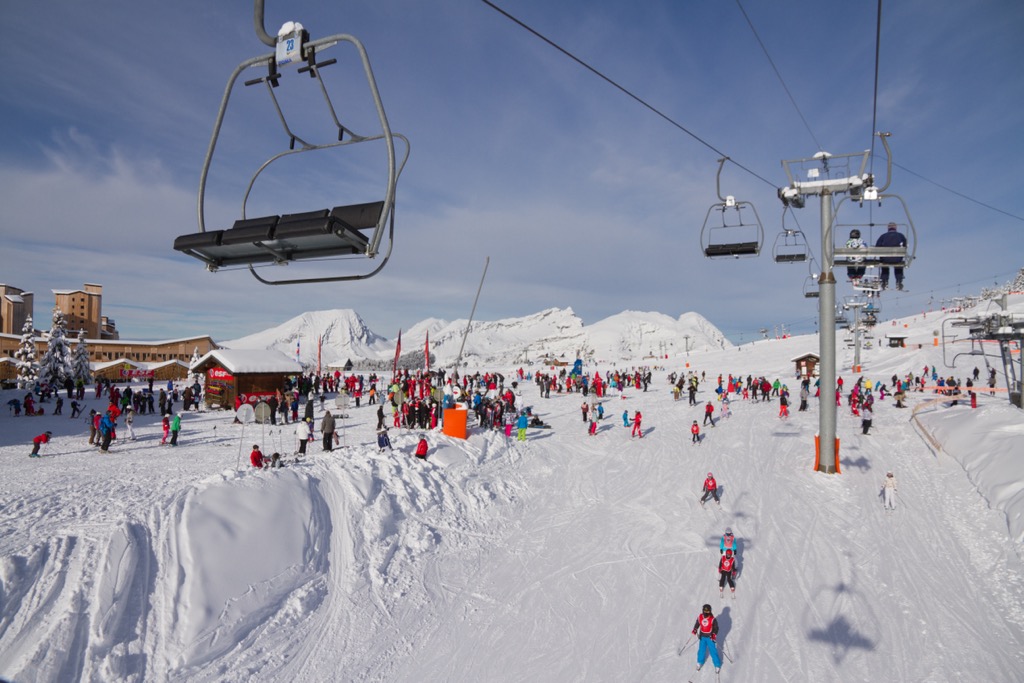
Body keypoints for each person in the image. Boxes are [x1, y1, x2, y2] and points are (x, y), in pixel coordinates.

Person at [691, 604, 722, 673]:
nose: (706, 613)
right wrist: (695, 629)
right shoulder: (700, 616)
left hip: (710, 637)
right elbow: (697, 623)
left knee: (713, 651)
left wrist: (714, 634)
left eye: (708, 611)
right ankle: (699, 662)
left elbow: (716, 628)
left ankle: (717, 665)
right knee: (701, 650)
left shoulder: (712, 619)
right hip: (702, 637)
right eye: (705, 611)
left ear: (710, 611)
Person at [876, 222, 907, 290]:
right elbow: (905, 245)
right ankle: (899, 281)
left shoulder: (883, 236)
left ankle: (884, 281)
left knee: (884, 265)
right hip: (897, 258)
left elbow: (877, 246)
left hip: (885, 258)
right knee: (898, 265)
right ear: (895, 228)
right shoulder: (900, 235)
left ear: (888, 228)